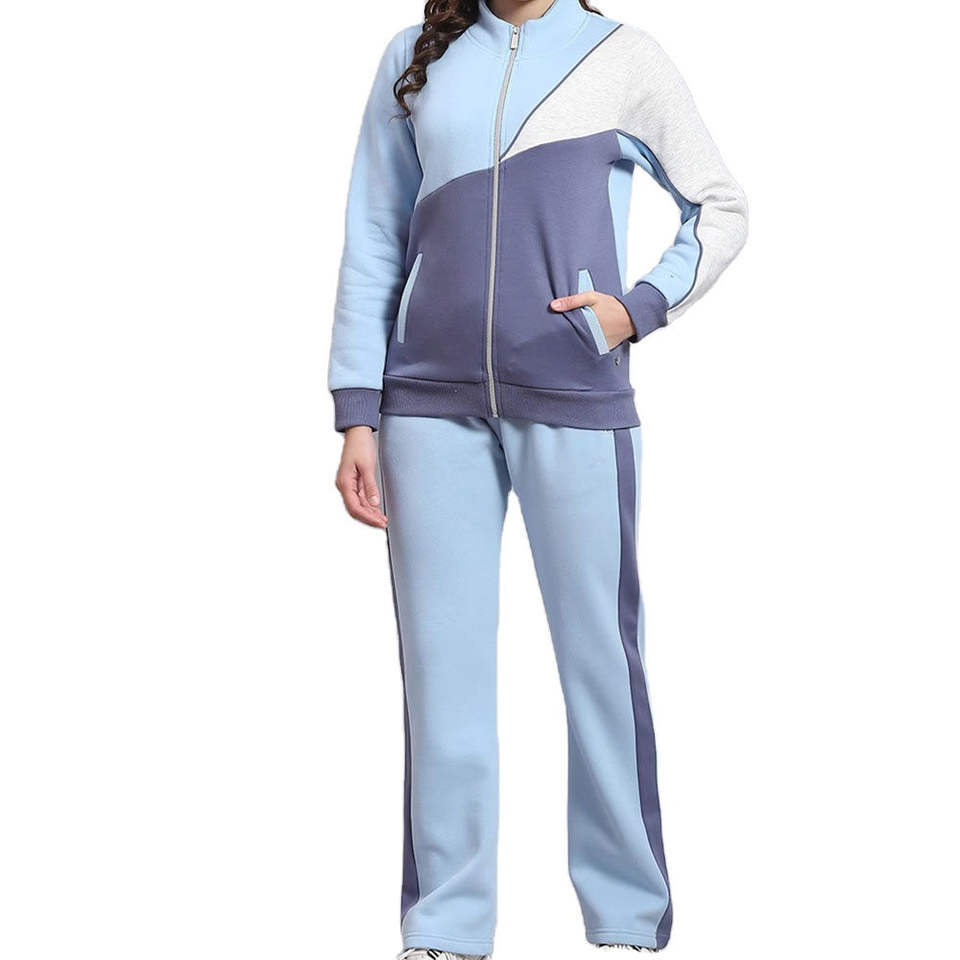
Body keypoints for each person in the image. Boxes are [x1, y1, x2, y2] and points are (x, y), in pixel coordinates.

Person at [329, 1, 747, 956]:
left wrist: (637, 308)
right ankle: (446, 926)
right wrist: (357, 407)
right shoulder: (414, 58)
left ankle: (627, 918)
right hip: (424, 406)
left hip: (575, 394)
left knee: (600, 663)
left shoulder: (622, 57)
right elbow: (373, 234)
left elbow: (721, 205)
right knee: (441, 677)